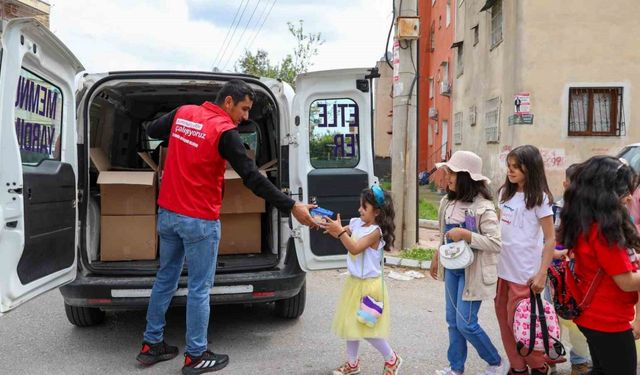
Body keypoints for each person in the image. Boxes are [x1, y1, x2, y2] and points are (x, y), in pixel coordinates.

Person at [135, 79, 317, 374]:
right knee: (199, 288)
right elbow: (253, 178)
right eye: (244, 109)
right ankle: (195, 355)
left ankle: (151, 344)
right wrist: (291, 205)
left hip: (168, 214)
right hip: (199, 221)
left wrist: (183, 141)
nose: (245, 117)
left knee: (165, 279)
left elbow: (152, 131)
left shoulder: (183, 113)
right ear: (228, 102)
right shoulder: (224, 131)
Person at [558, 156, 640, 375]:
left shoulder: (589, 222)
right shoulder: (604, 233)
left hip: (593, 317)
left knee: (602, 369)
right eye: (624, 190)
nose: (630, 197)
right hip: (608, 321)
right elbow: (627, 282)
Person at [428, 151, 506, 375]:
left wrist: (467, 235)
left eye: (451, 173)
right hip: (452, 268)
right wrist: (437, 256)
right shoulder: (447, 202)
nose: (447, 177)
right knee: (452, 321)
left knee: (466, 323)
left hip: (473, 272)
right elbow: (443, 234)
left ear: (465, 177)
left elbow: (495, 242)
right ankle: (456, 368)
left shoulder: (484, 207)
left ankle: (496, 362)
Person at [322, 186, 402, 375]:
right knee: (351, 325)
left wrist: (340, 232)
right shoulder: (357, 223)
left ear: (377, 212)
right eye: (360, 206)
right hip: (354, 283)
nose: (359, 210)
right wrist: (332, 228)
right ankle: (352, 364)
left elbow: (355, 247)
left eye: (364, 207)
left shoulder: (376, 232)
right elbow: (343, 235)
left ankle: (392, 358)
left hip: (369, 286)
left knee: (366, 328)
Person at [495, 145, 556, 375]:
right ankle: (518, 368)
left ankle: (539, 366)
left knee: (522, 325)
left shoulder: (540, 199)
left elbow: (550, 239)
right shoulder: (504, 193)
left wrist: (542, 273)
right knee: (505, 324)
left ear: (530, 168)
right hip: (502, 271)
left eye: (516, 167)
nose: (510, 171)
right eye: (509, 167)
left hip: (526, 275)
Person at [547, 164, 591, 375]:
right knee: (551, 317)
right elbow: (550, 238)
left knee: (578, 318)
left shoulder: (592, 212)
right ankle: (551, 358)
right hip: (556, 271)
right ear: (565, 185)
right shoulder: (555, 208)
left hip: (580, 272)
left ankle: (580, 360)